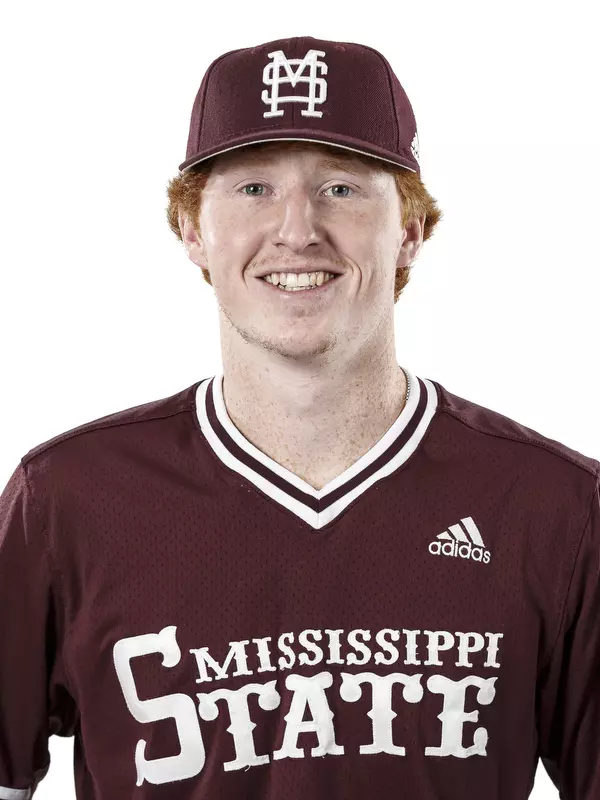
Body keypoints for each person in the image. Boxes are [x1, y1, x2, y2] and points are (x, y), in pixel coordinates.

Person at [0, 34, 598, 800]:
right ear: (192, 231)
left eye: (341, 188)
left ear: (410, 230)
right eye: (252, 188)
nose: (296, 229)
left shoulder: (558, 508)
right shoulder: (67, 500)